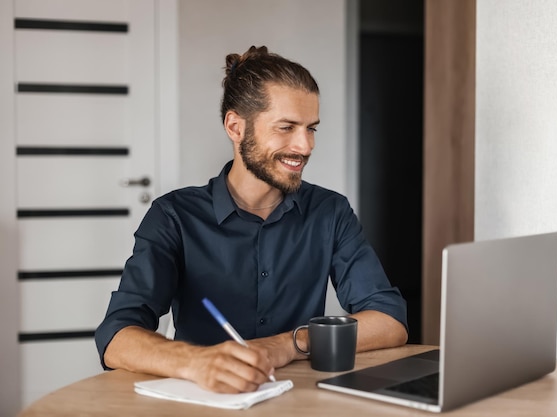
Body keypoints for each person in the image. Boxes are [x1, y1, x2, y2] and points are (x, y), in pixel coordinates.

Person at [95, 45, 408, 394]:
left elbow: (389, 320)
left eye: (311, 129)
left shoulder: (330, 211)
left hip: (299, 396)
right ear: (235, 127)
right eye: (286, 127)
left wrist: (288, 345)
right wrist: (195, 362)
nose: (305, 146)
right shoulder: (173, 216)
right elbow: (116, 337)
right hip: (206, 399)